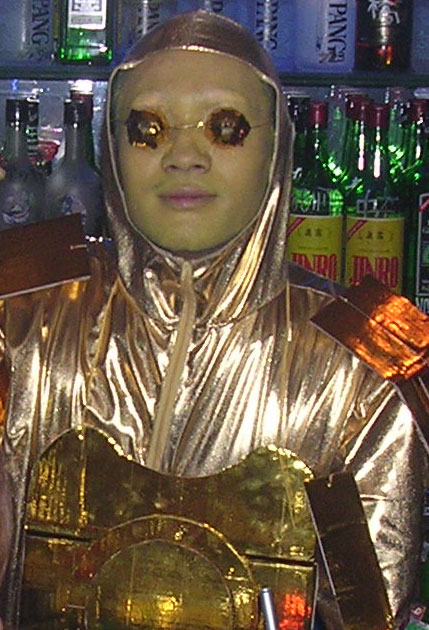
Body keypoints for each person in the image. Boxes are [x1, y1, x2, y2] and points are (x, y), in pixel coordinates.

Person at [0, 9, 426, 629]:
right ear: (109, 146)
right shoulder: (20, 318)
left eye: (226, 128)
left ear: (276, 146)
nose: (184, 156)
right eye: (147, 129)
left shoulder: (361, 358)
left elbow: (367, 614)